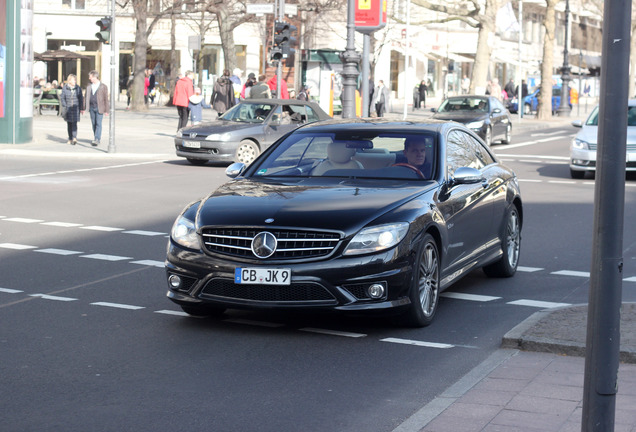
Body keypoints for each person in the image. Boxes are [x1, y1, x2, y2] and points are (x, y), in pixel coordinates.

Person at [82, 70, 109, 147]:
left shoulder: (103, 86)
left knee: (98, 123)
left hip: (99, 107)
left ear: (95, 77)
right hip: (91, 107)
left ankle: (97, 139)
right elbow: (85, 97)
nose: (89, 78)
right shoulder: (89, 86)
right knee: (93, 123)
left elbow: (106, 99)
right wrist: (84, 108)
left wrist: (107, 110)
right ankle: (96, 137)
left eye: (90, 77)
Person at [60, 73, 83, 145]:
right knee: (69, 124)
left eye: (75, 80)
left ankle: (74, 137)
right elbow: (62, 97)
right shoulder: (65, 88)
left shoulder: (78, 88)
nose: (75, 81)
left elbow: (81, 98)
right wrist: (65, 105)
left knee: (74, 123)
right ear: (69, 81)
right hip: (68, 108)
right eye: (74, 80)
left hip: (75, 108)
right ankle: (70, 138)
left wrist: (81, 107)